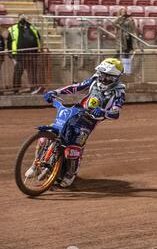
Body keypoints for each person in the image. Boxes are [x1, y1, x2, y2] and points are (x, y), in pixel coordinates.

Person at [26, 58, 126, 188]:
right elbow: (76, 87)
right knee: (47, 135)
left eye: (108, 77)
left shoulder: (119, 92)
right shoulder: (94, 79)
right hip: (77, 110)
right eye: (103, 74)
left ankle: (70, 173)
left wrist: (102, 112)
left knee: (72, 149)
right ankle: (36, 164)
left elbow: (115, 113)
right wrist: (56, 92)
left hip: (89, 120)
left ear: (116, 78)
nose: (103, 79)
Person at [7, 14, 41, 93]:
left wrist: (38, 51)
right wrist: (11, 56)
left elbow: (38, 39)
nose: (23, 18)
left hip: (32, 54)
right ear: (18, 18)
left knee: (33, 72)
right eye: (22, 17)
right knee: (18, 72)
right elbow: (9, 43)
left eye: (25, 16)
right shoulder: (13, 28)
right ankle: (16, 90)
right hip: (19, 55)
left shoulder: (32, 27)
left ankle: (34, 88)